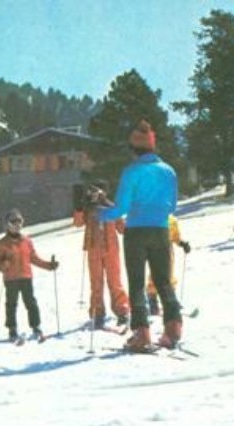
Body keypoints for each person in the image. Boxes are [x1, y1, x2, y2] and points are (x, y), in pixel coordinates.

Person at [98, 119, 183, 352]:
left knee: (136, 284)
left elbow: (120, 209)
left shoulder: (132, 171)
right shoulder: (168, 171)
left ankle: (141, 333)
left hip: (136, 231)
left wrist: (100, 214)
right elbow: (173, 206)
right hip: (161, 229)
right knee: (163, 281)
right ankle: (173, 327)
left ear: (134, 148)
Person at [0, 208, 59, 344]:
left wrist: (49, 265)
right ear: (7, 224)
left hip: (25, 276)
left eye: (20, 221)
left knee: (31, 302)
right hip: (11, 278)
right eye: (13, 221)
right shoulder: (2, 243)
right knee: (11, 304)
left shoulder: (26, 241)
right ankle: (12, 328)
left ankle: (36, 326)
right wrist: (3, 265)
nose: (17, 224)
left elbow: (34, 258)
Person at [73, 180, 129, 329]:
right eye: (93, 192)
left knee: (115, 281)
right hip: (94, 249)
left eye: (99, 192)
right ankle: (97, 313)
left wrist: (108, 203)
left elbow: (123, 228)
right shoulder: (89, 209)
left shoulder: (111, 208)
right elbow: (78, 223)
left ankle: (122, 311)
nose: (96, 195)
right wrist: (79, 207)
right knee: (96, 283)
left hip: (111, 249)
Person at [145, 215, 191, 315]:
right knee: (155, 275)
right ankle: (152, 299)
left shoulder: (172, 220)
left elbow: (176, 237)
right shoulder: (150, 217)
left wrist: (182, 243)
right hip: (154, 249)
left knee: (170, 274)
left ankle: (171, 299)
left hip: (168, 250)